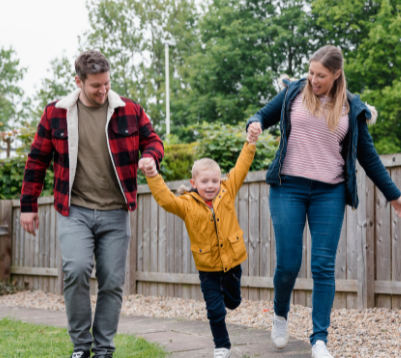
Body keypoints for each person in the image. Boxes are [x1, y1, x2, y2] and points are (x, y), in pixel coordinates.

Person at [246, 45, 401, 358]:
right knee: (288, 263)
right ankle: (280, 315)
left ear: (336, 75)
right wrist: (253, 124)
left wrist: (394, 194)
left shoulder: (351, 108)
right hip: (287, 187)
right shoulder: (294, 93)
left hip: (330, 192)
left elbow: (368, 157)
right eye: (311, 72)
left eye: (320, 75)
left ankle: (319, 339)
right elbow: (262, 116)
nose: (313, 79)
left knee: (323, 266)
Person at [19, 50, 164, 358]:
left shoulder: (130, 111)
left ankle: (103, 350)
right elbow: (37, 160)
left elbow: (153, 141)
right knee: (76, 269)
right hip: (75, 211)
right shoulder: (55, 113)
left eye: (107, 84)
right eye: (96, 86)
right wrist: (28, 205)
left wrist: (150, 157)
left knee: (112, 281)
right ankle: (81, 347)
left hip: (115, 212)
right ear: (79, 82)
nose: (103, 91)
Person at [139, 130, 259, 358]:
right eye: (205, 181)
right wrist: (153, 175)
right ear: (194, 183)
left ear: (220, 180)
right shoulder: (187, 204)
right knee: (215, 311)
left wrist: (250, 142)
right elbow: (165, 199)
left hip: (232, 263)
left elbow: (242, 167)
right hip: (208, 269)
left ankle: (229, 299)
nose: (211, 185)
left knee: (233, 302)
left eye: (215, 180)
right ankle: (222, 346)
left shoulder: (227, 190)